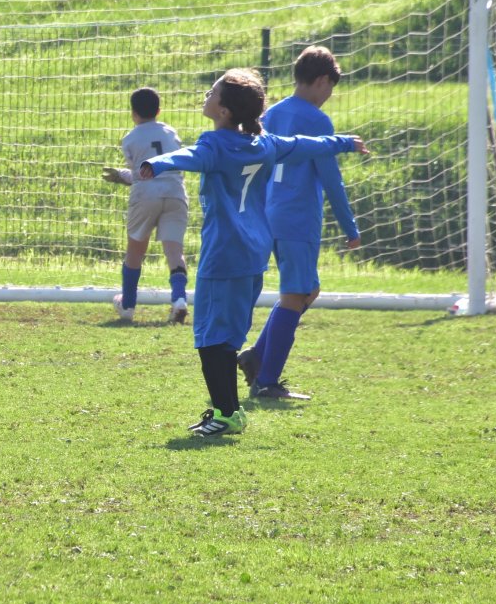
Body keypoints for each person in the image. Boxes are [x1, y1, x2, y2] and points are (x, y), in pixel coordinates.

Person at [140, 68, 367, 437]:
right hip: (254, 252)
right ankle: (227, 410)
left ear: (224, 110)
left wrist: (156, 163)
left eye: (213, 92)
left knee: (209, 336)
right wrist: (342, 142)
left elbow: (188, 155)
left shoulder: (215, 146)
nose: (207, 95)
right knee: (228, 335)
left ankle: (228, 414)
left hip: (223, 252)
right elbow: (304, 144)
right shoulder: (265, 144)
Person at [238, 47, 357, 400]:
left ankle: (257, 356)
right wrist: (350, 226)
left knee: (307, 290)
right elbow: (331, 178)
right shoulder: (317, 121)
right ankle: (267, 381)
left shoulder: (271, 113)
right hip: (297, 216)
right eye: (331, 87)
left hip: (269, 213)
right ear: (322, 80)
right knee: (295, 294)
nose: (329, 95)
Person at [102, 87, 189, 324]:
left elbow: (139, 175)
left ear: (133, 113)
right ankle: (179, 299)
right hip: (175, 192)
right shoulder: (171, 133)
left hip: (146, 194)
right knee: (174, 251)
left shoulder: (130, 139)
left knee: (135, 250)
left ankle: (128, 305)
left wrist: (121, 175)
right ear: (159, 111)